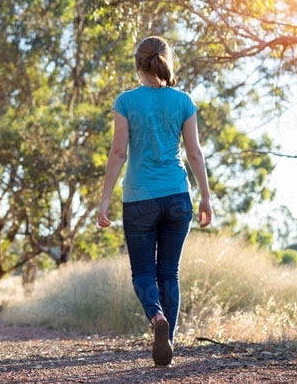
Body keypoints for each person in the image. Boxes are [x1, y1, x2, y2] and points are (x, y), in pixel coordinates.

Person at [97, 36, 213, 367]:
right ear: (166, 62)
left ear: (138, 65)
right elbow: (194, 152)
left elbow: (118, 152)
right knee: (169, 273)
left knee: (143, 272)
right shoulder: (183, 101)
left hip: (139, 199)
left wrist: (104, 199)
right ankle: (168, 345)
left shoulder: (126, 102)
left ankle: (156, 318)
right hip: (178, 195)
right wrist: (205, 196)